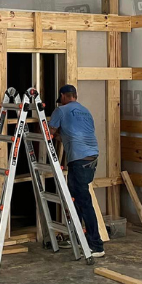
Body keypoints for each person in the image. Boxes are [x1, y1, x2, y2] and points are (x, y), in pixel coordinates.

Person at [48, 84, 104, 257]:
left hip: (78, 160)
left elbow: (48, 134)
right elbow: (77, 133)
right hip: (91, 157)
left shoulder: (61, 110)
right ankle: (77, 238)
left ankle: (96, 245)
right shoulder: (85, 111)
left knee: (83, 201)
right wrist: (61, 136)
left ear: (64, 96)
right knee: (77, 199)